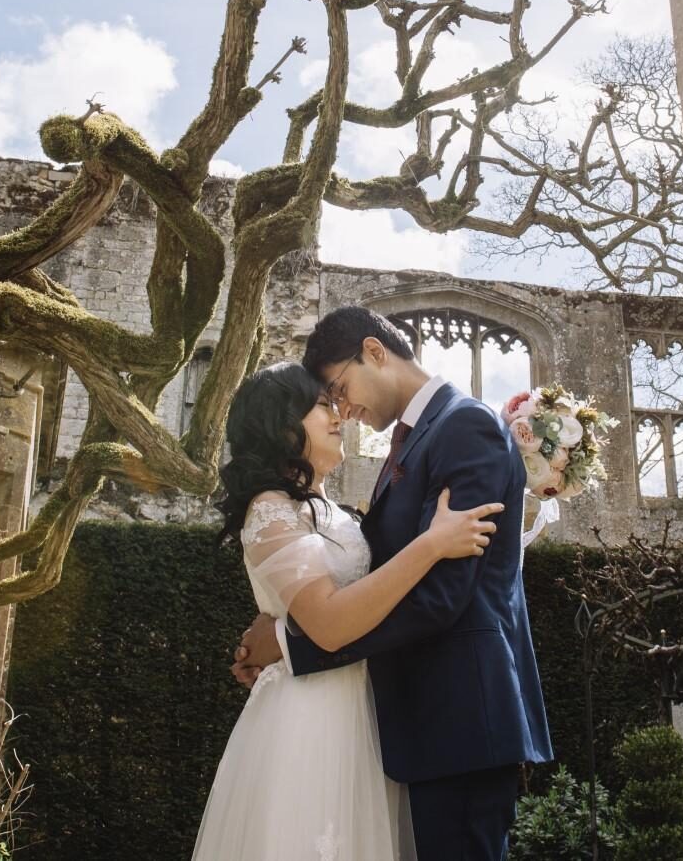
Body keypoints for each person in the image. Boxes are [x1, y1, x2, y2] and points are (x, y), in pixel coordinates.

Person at [232, 307, 553, 860]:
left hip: (460, 721)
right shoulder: (411, 443)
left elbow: (441, 598)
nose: (344, 410)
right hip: (414, 727)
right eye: (328, 401)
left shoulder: (464, 425)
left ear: (374, 351)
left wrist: (292, 645)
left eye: (339, 388)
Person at [192, 361, 504, 861]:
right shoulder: (271, 508)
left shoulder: (335, 512)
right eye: (320, 405)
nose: (337, 414)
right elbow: (332, 624)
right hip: (311, 719)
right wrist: (432, 545)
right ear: (280, 424)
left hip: (367, 713)